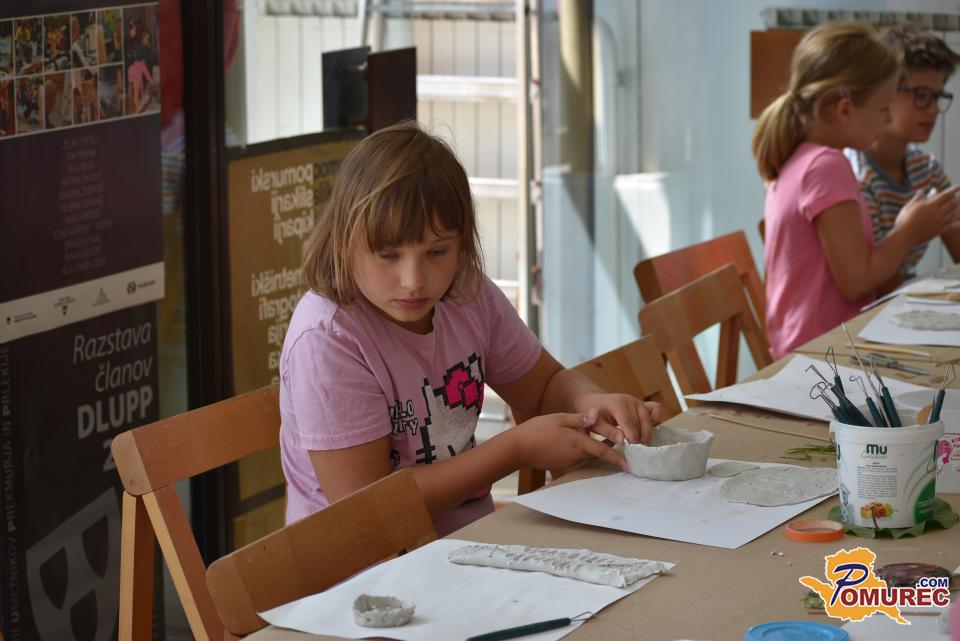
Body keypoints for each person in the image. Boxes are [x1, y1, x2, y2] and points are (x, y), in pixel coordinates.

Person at [280, 122, 660, 535]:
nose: (414, 280)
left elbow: (544, 386)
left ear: (462, 243)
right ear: (343, 242)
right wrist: (516, 449)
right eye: (388, 255)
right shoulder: (327, 338)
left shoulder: (467, 293)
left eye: (437, 252)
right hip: (367, 566)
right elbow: (370, 510)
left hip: (468, 543)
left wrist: (592, 402)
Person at [752, 21, 958, 358]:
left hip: (816, 349)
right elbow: (857, 282)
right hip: (822, 354)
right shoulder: (826, 166)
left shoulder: (804, 159)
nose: (885, 120)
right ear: (845, 109)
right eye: (882, 109)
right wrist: (908, 230)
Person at [846, 24, 960, 286]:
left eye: (937, 96)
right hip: (875, 303)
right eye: (921, 95)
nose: (933, 109)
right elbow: (876, 285)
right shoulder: (856, 176)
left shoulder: (926, 169)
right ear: (883, 92)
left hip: (901, 296)